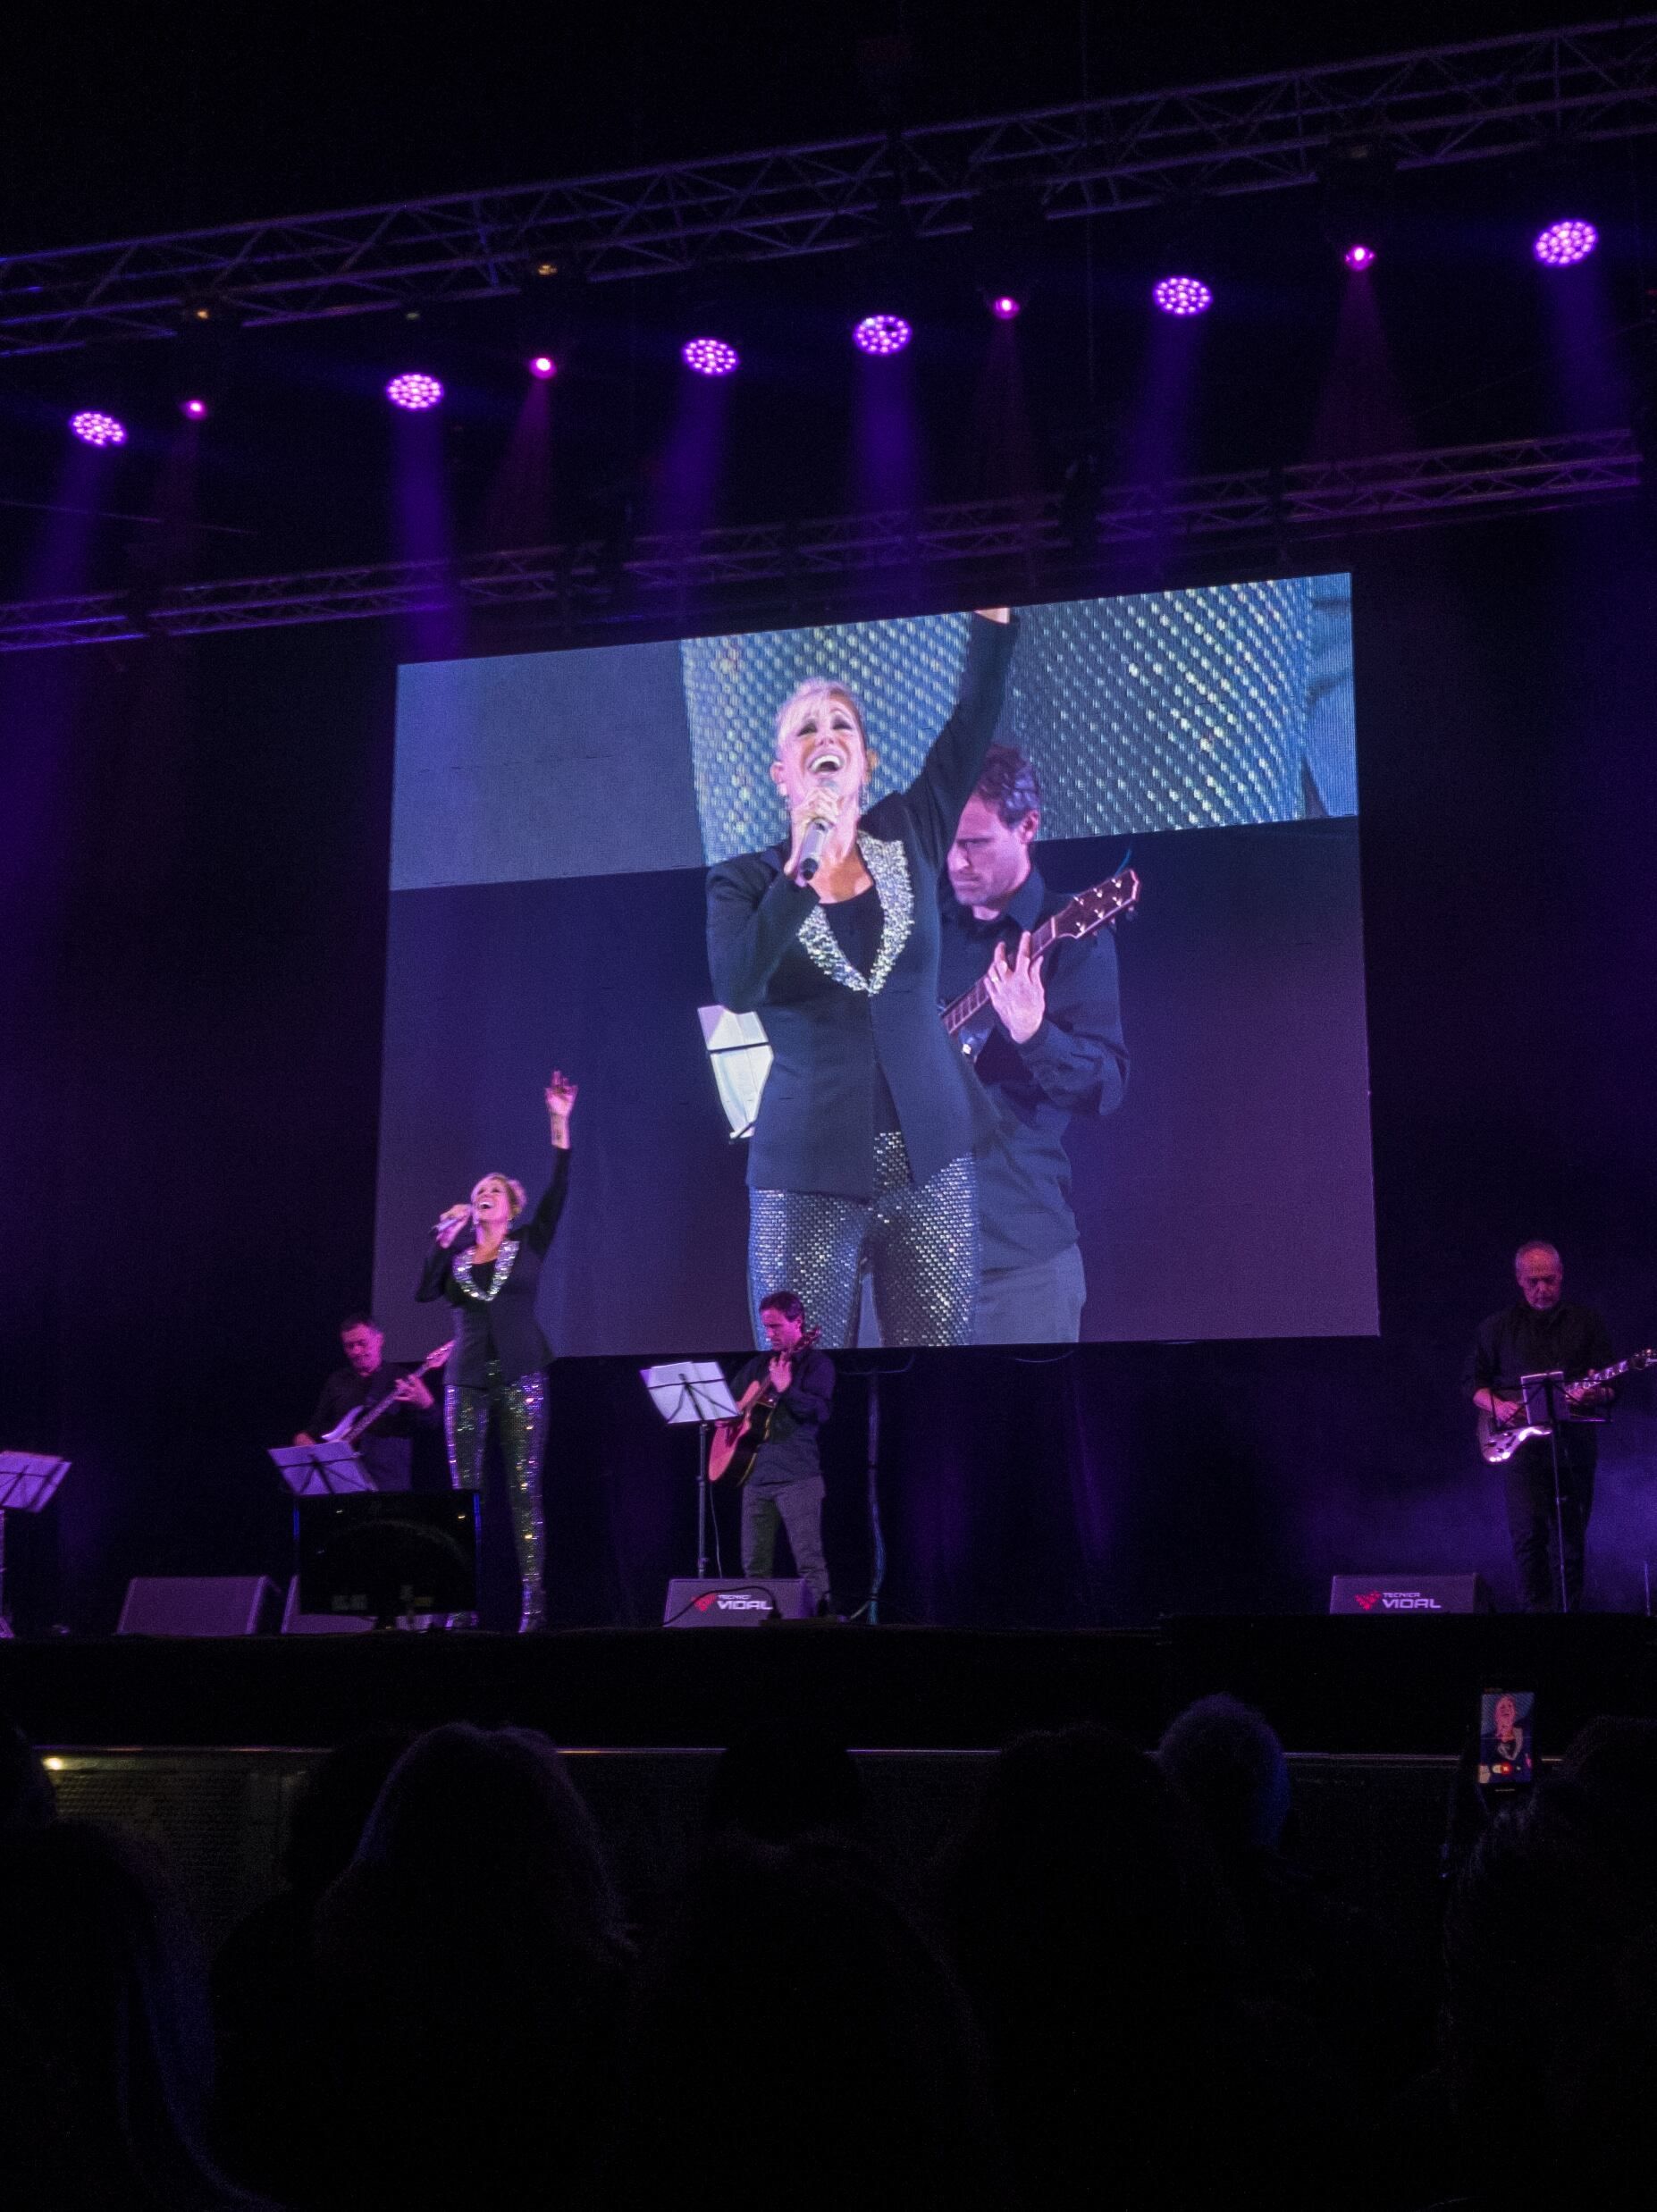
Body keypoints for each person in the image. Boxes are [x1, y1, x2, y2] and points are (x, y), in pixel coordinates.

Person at [707, 607, 1017, 1349]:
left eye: (841, 725)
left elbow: (973, 719)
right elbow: (740, 987)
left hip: (930, 1158)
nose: (826, 738)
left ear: (866, 762)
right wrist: (800, 874)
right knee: (797, 1392)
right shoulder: (743, 882)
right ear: (783, 772)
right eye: (807, 729)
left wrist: (994, 622)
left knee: (939, 1383)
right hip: (807, 1172)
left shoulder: (909, 831)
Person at [940, 744, 1128, 1342]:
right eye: (947, 842)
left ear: (1028, 827)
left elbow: (1106, 1087)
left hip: (1013, 1262)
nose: (955, 861)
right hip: (900, 1254)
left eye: (974, 843)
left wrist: (1033, 1033)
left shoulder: (1075, 935)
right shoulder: (923, 930)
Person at [417, 1069, 576, 1631]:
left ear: (510, 1207)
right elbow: (423, 1291)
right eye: (477, 1193)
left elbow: (558, 1191)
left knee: (524, 1489)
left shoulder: (528, 1242)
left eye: (493, 1194)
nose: (482, 1198)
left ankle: (534, 1602)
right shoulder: (456, 1262)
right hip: (464, 1383)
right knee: (465, 1493)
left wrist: (558, 1119)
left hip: (523, 1376)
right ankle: (460, 1601)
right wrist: (441, 1242)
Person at [1464, 1241, 1614, 1612]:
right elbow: (1472, 1384)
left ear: (1561, 1276)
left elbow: (1611, 1385)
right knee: (1529, 1538)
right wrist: (1499, 1405)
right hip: (1522, 1452)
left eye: (1549, 1280)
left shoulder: (1587, 1322)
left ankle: (1569, 1618)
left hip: (1572, 1446)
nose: (1542, 1289)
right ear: (1519, 1280)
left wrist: (1595, 1394)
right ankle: (1535, 1622)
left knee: (1571, 1540)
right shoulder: (1496, 1327)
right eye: (1533, 1281)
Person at [719, 1290, 836, 1615]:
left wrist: (787, 1389)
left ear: (798, 1322)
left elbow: (820, 1412)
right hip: (755, 1477)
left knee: (809, 1562)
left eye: (776, 1327)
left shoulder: (816, 1364)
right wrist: (726, 1415)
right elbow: (731, 1403)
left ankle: (820, 1625)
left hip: (797, 1476)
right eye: (766, 1327)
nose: (769, 1334)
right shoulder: (758, 1365)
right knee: (754, 1565)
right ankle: (759, 1624)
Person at [294, 1312, 440, 1493]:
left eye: (362, 1343)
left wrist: (426, 1404)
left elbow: (431, 1425)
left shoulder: (401, 1378)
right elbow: (317, 1426)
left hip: (387, 1484)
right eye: (349, 1346)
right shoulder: (337, 1380)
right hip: (343, 1483)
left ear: (379, 1340)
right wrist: (304, 1438)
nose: (356, 1351)